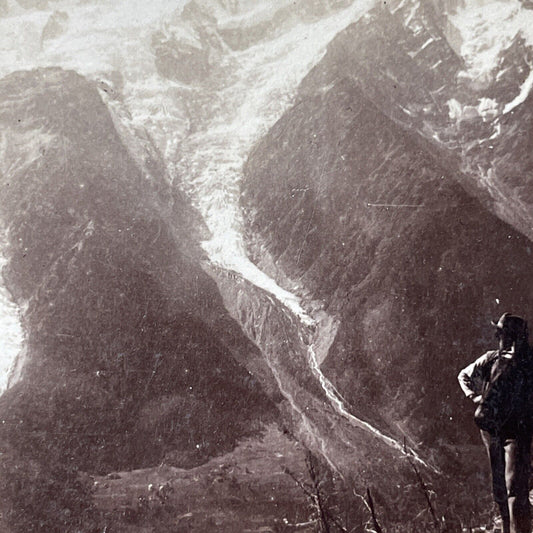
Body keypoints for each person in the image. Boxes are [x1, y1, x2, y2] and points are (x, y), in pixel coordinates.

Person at [458, 313, 533, 533]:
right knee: (511, 489)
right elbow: (463, 375)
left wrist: (475, 398)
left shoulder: (493, 358)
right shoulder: (521, 361)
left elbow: (464, 375)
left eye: (500, 333)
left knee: (507, 489)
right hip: (512, 433)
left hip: (495, 430)